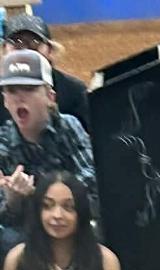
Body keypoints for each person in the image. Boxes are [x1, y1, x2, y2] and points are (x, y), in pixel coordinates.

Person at [0, 50, 96, 255]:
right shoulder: (2, 143)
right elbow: (6, 219)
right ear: (5, 100)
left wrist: (41, 194)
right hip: (26, 230)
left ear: (50, 97)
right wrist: (13, 200)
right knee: (7, 240)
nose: (19, 98)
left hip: (72, 219)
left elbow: (92, 181)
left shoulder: (68, 127)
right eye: (11, 90)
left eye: (29, 89)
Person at [0, 14, 89, 131]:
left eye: (34, 42)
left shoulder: (74, 91)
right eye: (18, 43)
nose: (26, 50)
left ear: (50, 49)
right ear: (4, 49)